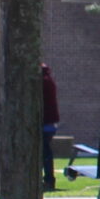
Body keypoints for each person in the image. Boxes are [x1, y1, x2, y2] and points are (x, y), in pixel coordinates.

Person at [40, 60, 61, 190]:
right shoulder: (49, 81)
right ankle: (48, 180)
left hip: (44, 123)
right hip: (50, 124)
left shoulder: (42, 82)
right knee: (46, 153)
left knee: (44, 153)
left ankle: (48, 180)